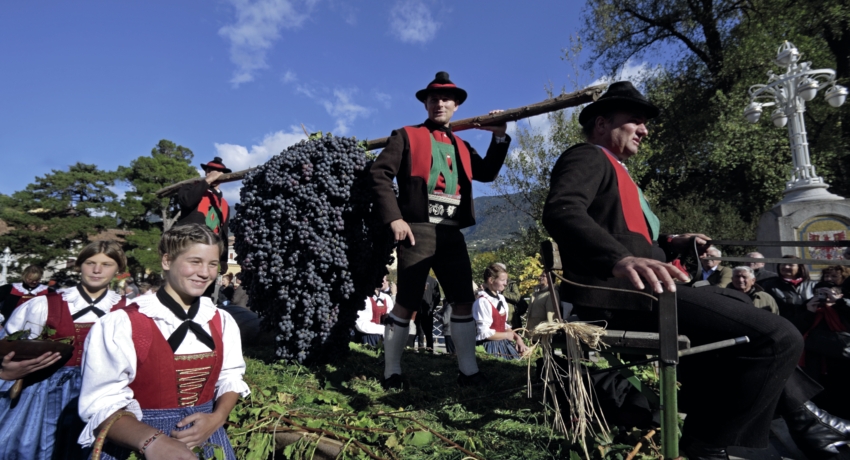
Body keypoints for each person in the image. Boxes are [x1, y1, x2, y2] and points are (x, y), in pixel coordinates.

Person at [541, 81, 848, 460]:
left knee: (747, 314)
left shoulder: (617, 169)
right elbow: (562, 211)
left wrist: (674, 242)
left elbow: (633, 237)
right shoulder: (588, 156)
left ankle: (809, 421)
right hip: (626, 297)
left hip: (647, 291)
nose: (645, 130)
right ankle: (711, 442)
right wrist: (618, 260)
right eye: (635, 121)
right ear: (602, 123)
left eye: (645, 123)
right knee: (780, 337)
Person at [369, 71, 510, 389]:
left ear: (456, 105)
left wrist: (499, 135)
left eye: (447, 98)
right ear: (426, 103)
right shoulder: (405, 135)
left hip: (451, 233)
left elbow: (486, 172)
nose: (440, 103)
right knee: (405, 301)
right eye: (434, 98)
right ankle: (392, 371)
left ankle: (469, 371)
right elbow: (379, 173)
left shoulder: (462, 145)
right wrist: (394, 217)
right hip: (417, 229)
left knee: (462, 301)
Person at [77, 224, 249, 460]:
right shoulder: (122, 324)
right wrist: (151, 441)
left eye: (212, 264)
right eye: (195, 261)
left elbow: (230, 376)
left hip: (208, 439)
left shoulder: (221, 320)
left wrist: (216, 418)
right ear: (167, 261)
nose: (205, 273)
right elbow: (100, 404)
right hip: (137, 443)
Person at [0, 241, 129, 460]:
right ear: (79, 265)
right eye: (90, 263)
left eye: (106, 264)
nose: (97, 270)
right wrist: (9, 368)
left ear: (118, 270)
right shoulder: (43, 304)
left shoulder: (127, 310)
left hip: (102, 396)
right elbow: (9, 347)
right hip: (43, 394)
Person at [796, 282, 850, 419]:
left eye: (829, 293)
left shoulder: (844, 308)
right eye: (820, 294)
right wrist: (809, 312)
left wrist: (839, 303)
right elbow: (796, 332)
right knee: (821, 404)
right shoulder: (807, 309)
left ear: (840, 295)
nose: (825, 298)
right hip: (815, 366)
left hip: (843, 366)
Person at [177, 157, 232, 273]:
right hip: (189, 247)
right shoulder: (190, 188)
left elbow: (224, 232)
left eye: (218, 172)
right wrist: (207, 181)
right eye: (210, 170)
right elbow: (187, 202)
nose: (214, 173)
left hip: (211, 253)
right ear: (206, 172)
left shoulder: (225, 204)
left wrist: (223, 259)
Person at [473, 263, 528, 360]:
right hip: (489, 347)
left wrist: (518, 338)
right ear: (491, 280)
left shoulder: (501, 298)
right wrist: (506, 335)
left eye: (506, 280)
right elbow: (484, 333)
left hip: (503, 343)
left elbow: (503, 325)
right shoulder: (482, 302)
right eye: (502, 280)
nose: (506, 283)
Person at [761, 255, 817, 319]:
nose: (786, 267)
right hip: (784, 323)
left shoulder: (813, 285)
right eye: (783, 264)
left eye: (791, 265)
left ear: (800, 267)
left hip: (811, 323)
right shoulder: (769, 285)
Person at [355, 277, 395, 347]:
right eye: (380, 277)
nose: (382, 281)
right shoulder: (365, 298)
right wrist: (383, 329)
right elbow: (361, 324)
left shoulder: (386, 298)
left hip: (384, 337)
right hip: (369, 337)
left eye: (384, 278)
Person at [413, 275, 441, 352]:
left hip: (427, 312)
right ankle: (421, 350)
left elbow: (437, 296)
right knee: (419, 332)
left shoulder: (432, 281)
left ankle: (429, 351)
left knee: (428, 333)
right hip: (418, 312)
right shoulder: (416, 279)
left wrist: (431, 308)